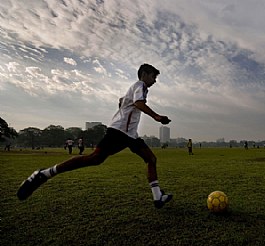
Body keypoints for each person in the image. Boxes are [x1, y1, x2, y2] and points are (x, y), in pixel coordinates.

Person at [17, 63, 173, 209]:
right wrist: (156, 117)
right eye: (153, 76)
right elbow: (139, 103)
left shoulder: (135, 88)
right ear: (144, 74)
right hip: (119, 132)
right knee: (95, 158)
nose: (154, 81)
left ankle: (157, 196)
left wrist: (123, 104)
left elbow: (124, 102)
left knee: (151, 159)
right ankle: (44, 174)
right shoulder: (140, 85)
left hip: (130, 135)